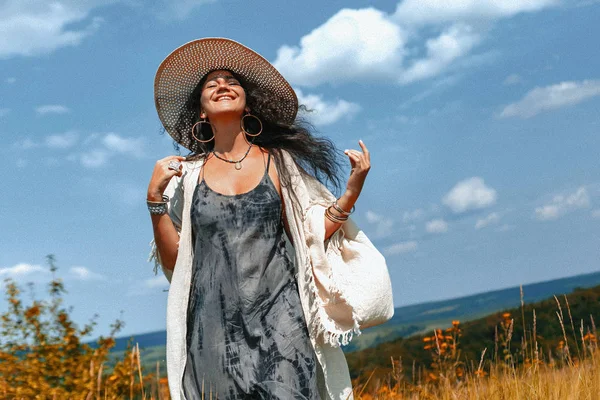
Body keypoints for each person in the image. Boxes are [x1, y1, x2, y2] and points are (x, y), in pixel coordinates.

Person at [148, 38, 394, 400]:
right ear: (200, 112)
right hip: (212, 335)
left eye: (232, 81)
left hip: (283, 324)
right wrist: (154, 200)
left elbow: (310, 234)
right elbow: (176, 263)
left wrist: (351, 191)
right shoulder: (187, 176)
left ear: (247, 101)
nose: (222, 85)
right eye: (211, 84)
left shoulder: (278, 162)